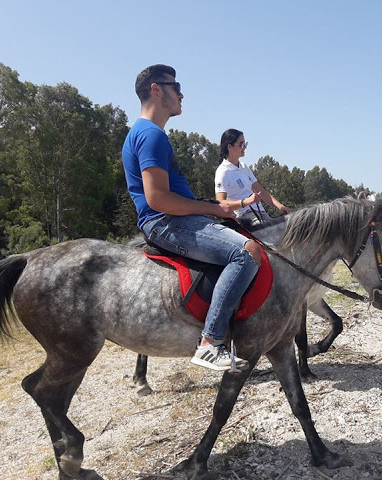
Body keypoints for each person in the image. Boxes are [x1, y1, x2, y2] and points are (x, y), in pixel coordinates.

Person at [122, 64, 260, 372]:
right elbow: (157, 198)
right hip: (165, 222)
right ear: (156, 90)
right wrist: (213, 209)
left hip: (169, 218)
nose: (181, 93)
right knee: (246, 253)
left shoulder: (146, 133)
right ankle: (210, 343)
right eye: (176, 86)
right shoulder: (151, 135)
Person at [214, 129, 290, 226]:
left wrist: (281, 207)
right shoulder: (222, 171)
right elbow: (220, 203)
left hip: (261, 214)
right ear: (229, 146)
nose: (244, 147)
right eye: (241, 144)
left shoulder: (244, 167)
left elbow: (262, 192)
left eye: (245, 144)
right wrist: (246, 202)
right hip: (245, 218)